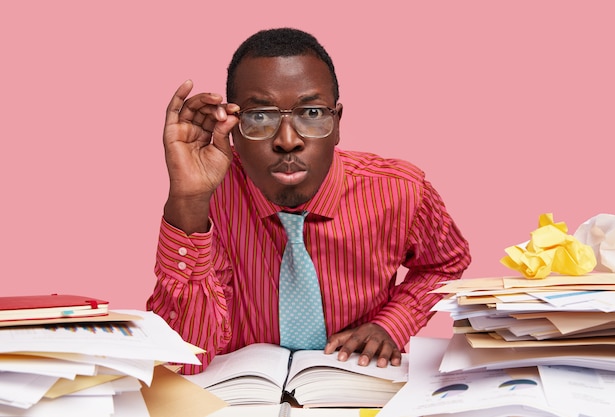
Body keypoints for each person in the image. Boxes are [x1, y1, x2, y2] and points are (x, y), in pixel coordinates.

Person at [147, 27, 471, 375]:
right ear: (233, 129)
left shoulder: (401, 191)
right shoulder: (210, 198)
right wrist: (188, 200)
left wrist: (393, 322)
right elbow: (182, 358)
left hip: (357, 390)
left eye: (312, 114)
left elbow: (446, 264)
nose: (288, 140)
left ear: (337, 124)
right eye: (260, 116)